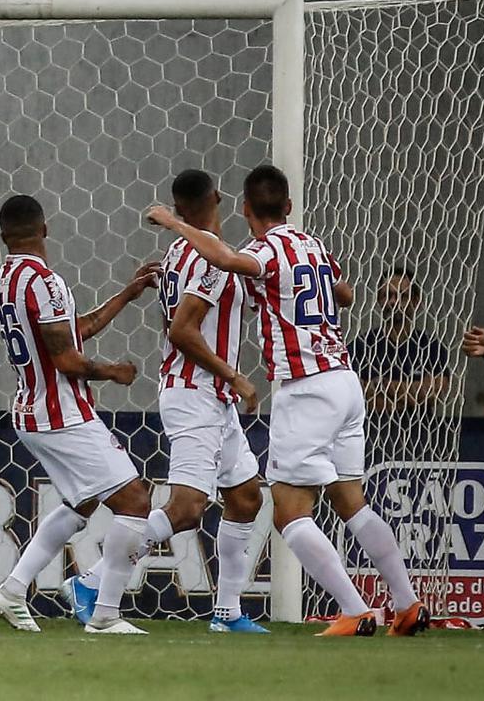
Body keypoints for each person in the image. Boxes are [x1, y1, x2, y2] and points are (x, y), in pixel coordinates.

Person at [146, 164, 428, 637]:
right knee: (352, 503)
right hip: (345, 383)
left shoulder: (262, 251)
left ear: (244, 209)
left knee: (289, 513)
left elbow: (228, 260)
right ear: (290, 207)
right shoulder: (312, 245)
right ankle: (407, 605)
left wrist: (176, 224)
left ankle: (355, 611)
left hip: (306, 387)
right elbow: (345, 293)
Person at [63, 169, 267, 634]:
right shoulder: (207, 256)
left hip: (209, 396)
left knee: (246, 497)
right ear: (217, 197)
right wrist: (234, 375)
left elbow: (170, 326)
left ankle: (227, 612)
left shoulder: (178, 252)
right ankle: (92, 582)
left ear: (177, 209)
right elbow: (181, 330)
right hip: (197, 394)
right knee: (187, 509)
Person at [0, 194, 157, 636]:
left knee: (81, 503)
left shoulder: (5, 278)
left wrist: (127, 294)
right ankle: (105, 614)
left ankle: (12, 589)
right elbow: (68, 359)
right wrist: (113, 372)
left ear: (4, 235)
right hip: (62, 414)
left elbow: (73, 331)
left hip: (30, 411)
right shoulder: (45, 280)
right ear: (46, 229)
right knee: (136, 500)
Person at [351, 268, 449, 413]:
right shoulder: (361, 346)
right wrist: (406, 393)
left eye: (402, 296)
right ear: (378, 300)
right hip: (372, 430)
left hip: (419, 430)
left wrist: (378, 384)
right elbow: (353, 395)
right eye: (387, 295)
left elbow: (431, 393)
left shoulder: (431, 347)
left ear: (416, 301)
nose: (393, 301)